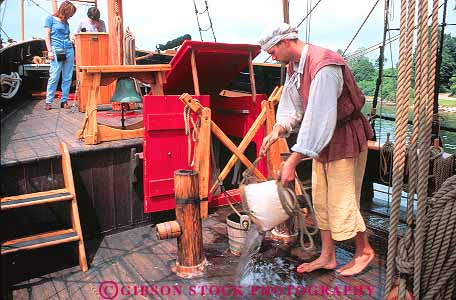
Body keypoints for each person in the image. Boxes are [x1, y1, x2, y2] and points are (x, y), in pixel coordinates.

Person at [259, 23, 375, 276]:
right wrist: (279, 128)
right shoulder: (295, 66)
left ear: (285, 42)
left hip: (344, 137)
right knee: (322, 201)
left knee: (342, 201)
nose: (271, 56)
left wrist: (293, 160)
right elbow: (294, 106)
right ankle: (328, 256)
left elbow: (319, 117)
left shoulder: (325, 65)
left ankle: (364, 250)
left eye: (272, 51)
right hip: (324, 142)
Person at [44, 0, 76, 110]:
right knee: (54, 76)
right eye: (69, 14)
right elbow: (47, 36)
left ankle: (64, 101)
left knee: (67, 76)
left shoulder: (66, 22)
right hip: (56, 50)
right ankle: (48, 101)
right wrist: (49, 51)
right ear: (64, 11)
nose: (70, 16)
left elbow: (67, 36)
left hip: (68, 49)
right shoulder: (50, 19)